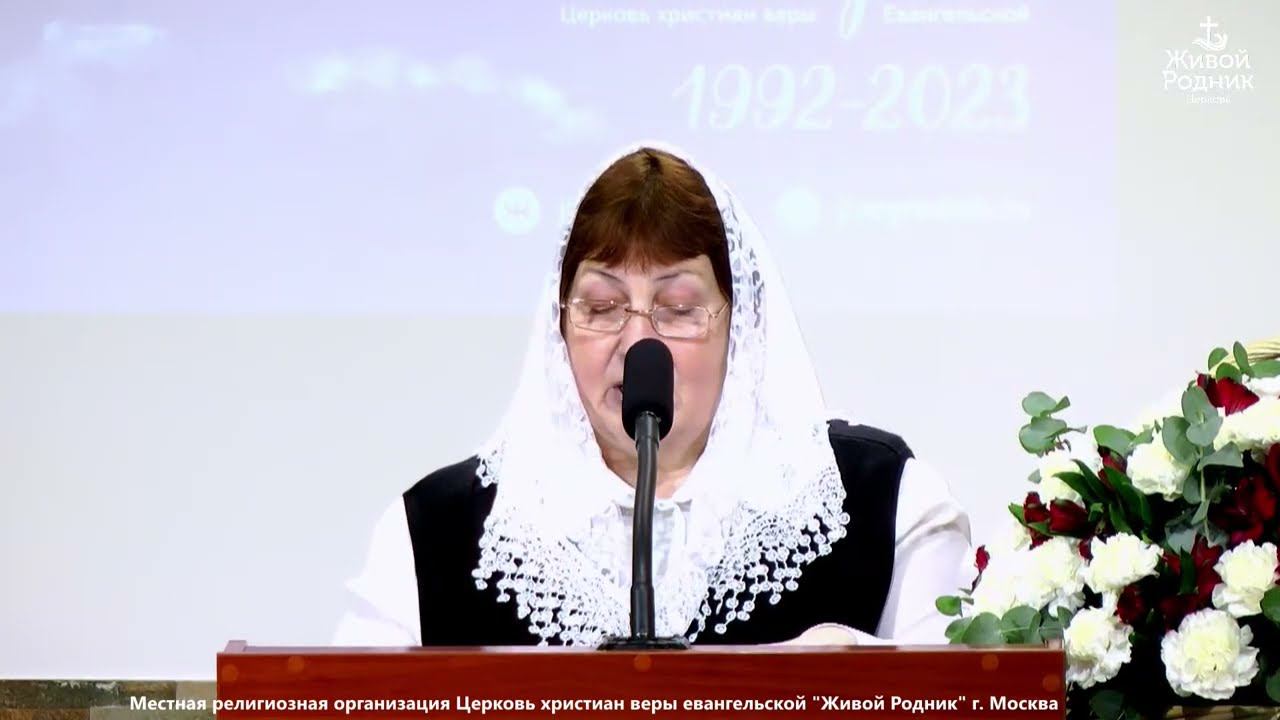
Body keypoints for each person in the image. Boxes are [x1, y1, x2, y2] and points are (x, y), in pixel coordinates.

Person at [333, 143, 971, 647]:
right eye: (602, 306)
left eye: (679, 308)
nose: (639, 342)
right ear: (559, 328)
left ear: (742, 327)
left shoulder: (884, 502)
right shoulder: (433, 532)